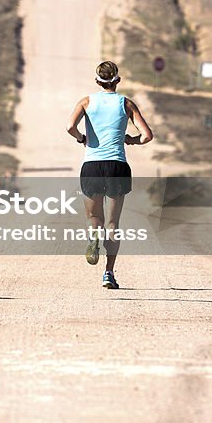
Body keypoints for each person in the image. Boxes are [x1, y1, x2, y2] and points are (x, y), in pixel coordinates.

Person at [66, 60, 153, 289]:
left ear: (97, 81)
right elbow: (147, 136)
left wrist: (82, 139)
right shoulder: (126, 104)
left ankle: (94, 234)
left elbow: (69, 127)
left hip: (92, 165)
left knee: (96, 220)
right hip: (117, 166)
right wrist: (130, 140)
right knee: (113, 224)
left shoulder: (86, 102)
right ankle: (108, 273)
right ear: (117, 80)